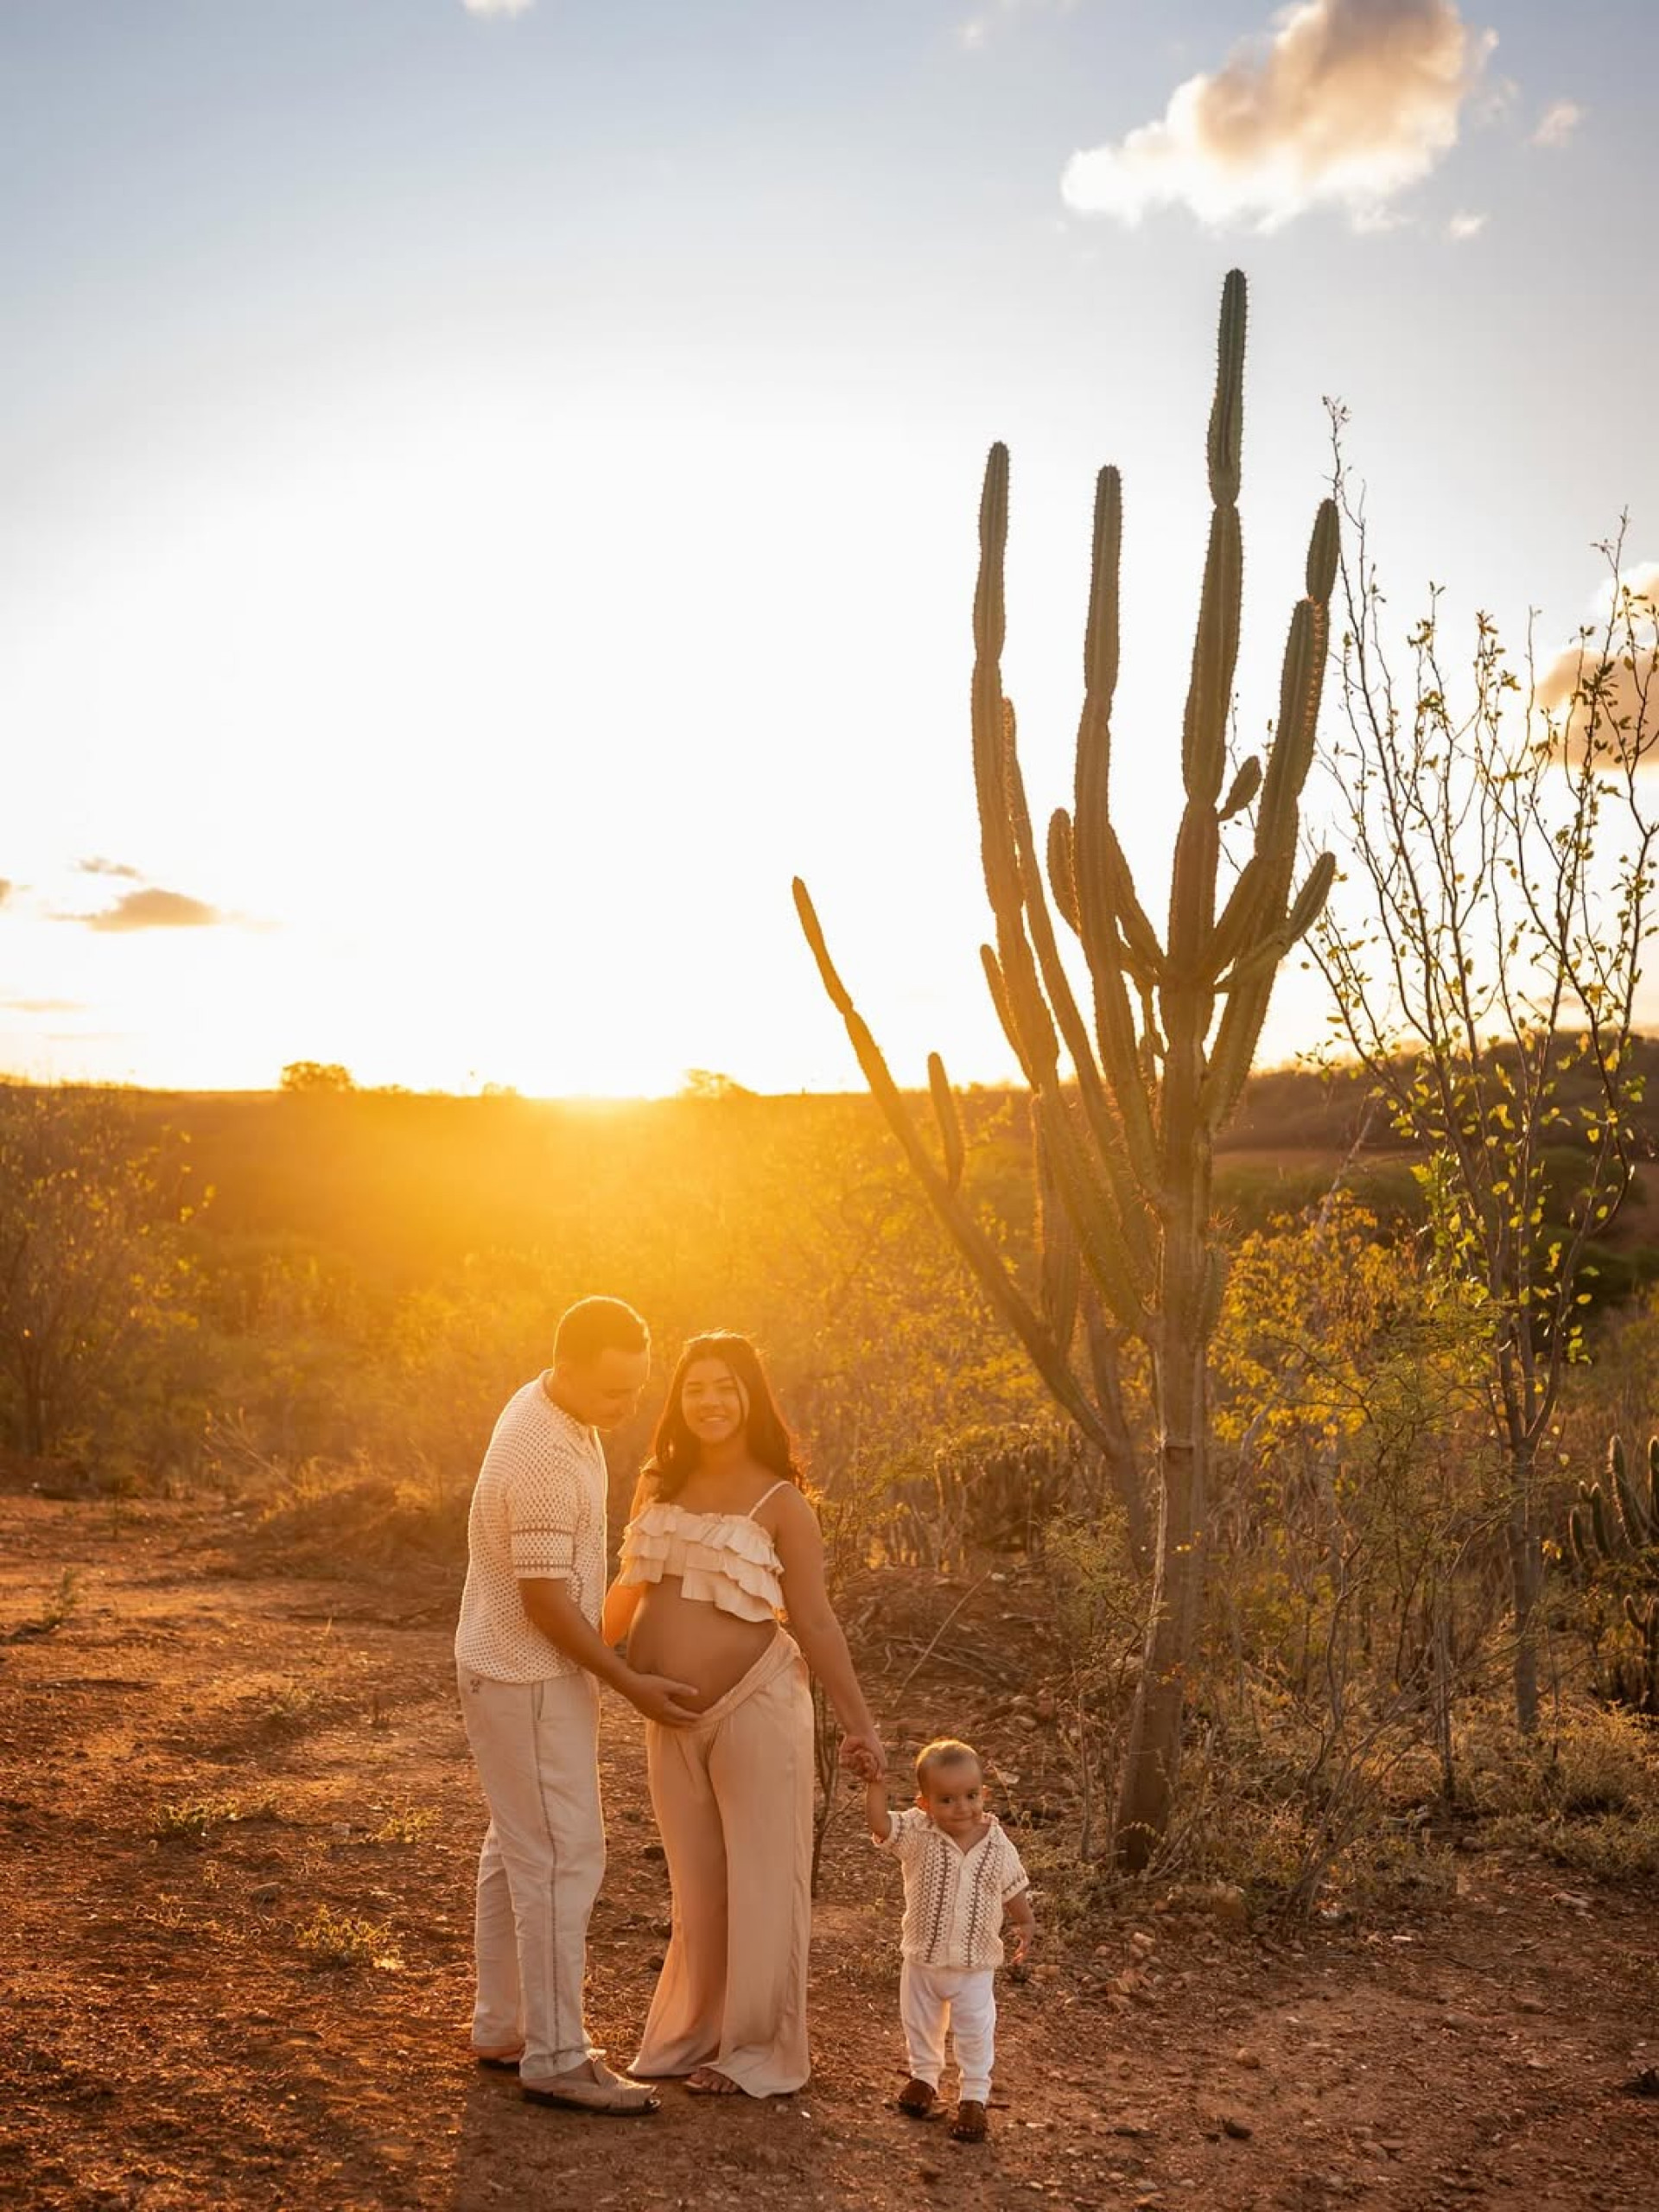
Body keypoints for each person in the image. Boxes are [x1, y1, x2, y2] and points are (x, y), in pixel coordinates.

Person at [601, 1331, 885, 2098]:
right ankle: (693, 2033)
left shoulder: (781, 1501)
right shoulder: (657, 1482)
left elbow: (817, 1621)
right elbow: (627, 1593)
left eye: (725, 1387)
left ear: (750, 1397)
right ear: (679, 1402)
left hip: (758, 1703)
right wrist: (583, 1660)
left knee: (764, 1879)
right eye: (696, 1388)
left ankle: (755, 2050)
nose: (710, 1402)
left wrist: (861, 1723)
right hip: (665, 1713)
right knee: (697, 1887)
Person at [454, 1295, 703, 2117]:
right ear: (566, 1366)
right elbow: (546, 1605)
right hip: (527, 1673)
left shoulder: (550, 1406)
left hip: (514, 1667)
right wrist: (630, 1684)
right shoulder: (543, 1458)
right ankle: (557, 2056)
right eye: (612, 1393)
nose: (626, 1409)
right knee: (565, 1856)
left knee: (517, 1846)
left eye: (637, 1391)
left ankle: (504, 2027)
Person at [864, 1735, 1035, 2143]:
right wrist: (875, 1783)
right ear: (924, 1803)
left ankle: (974, 2096)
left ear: (984, 1794)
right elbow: (880, 1825)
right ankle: (924, 2078)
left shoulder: (996, 1844)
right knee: (920, 2023)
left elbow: (1012, 1888)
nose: (962, 1807)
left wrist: (1025, 1923)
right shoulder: (918, 1833)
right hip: (922, 1958)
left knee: (975, 2029)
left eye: (971, 1795)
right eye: (947, 1799)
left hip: (973, 1965)